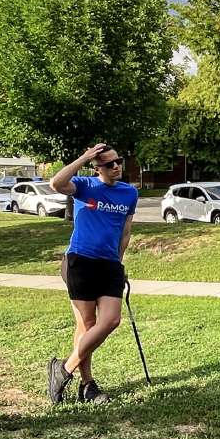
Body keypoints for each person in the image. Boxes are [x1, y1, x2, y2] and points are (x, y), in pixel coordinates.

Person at [45, 143, 138, 404]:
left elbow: (125, 231)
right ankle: (88, 385)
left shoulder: (129, 193)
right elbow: (56, 182)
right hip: (80, 261)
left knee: (110, 320)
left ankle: (63, 369)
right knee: (85, 325)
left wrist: (118, 264)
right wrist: (84, 156)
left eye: (118, 161)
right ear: (97, 168)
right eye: (109, 164)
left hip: (109, 265)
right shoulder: (85, 186)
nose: (116, 166)